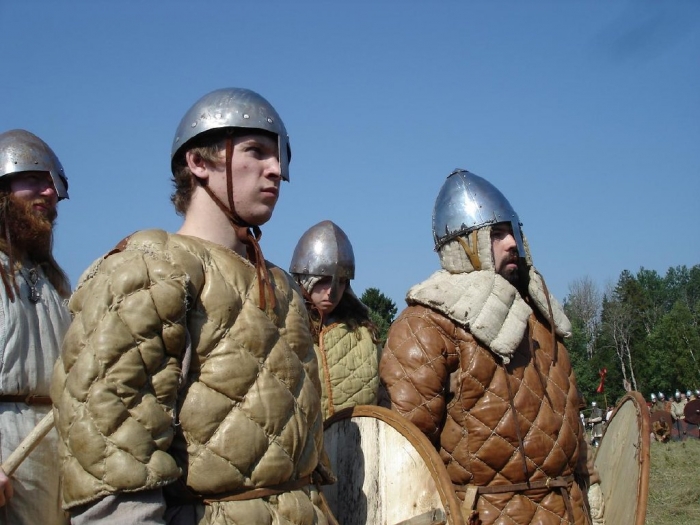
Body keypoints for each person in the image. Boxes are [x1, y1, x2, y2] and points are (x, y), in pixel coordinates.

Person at [51, 88, 330, 524]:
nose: (276, 170)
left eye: (279, 157)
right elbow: (111, 441)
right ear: (198, 162)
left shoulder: (283, 287)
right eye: (256, 152)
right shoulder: (151, 270)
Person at [380, 169, 595, 524]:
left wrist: (594, 492)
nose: (511, 243)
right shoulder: (425, 326)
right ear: (464, 244)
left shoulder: (542, 319)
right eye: (496, 234)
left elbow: (573, 430)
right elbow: (405, 454)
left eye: (512, 231)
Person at [0, 129, 71, 524]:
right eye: (33, 179)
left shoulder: (52, 282)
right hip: (5, 447)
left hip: (53, 443)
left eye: (52, 184)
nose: (48, 193)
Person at [289, 220, 381, 420]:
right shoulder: (283, 327)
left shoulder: (365, 334)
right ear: (303, 279)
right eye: (323, 281)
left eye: (341, 282)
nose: (332, 292)